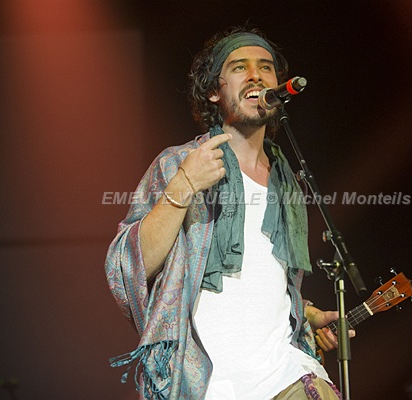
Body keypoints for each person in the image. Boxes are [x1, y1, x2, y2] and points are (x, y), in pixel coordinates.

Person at [105, 26, 352, 400]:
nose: (256, 75)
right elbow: (127, 268)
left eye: (266, 67)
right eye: (240, 67)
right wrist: (184, 184)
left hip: (284, 372)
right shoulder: (178, 163)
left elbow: (263, 280)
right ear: (213, 91)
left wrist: (306, 313)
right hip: (205, 382)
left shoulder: (287, 180)